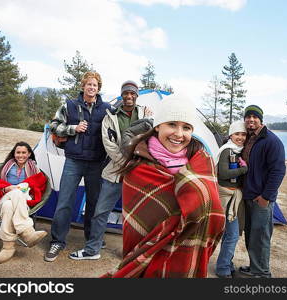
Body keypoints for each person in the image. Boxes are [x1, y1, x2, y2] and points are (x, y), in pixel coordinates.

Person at [103, 94, 225, 278]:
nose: (178, 133)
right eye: (172, 124)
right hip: (147, 261)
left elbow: (212, 213)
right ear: (158, 125)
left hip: (187, 259)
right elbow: (136, 228)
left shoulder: (203, 163)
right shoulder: (138, 168)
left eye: (186, 127)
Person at [69, 80, 152, 260]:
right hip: (115, 171)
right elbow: (109, 145)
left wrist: (138, 165)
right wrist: (125, 163)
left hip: (140, 173)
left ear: (136, 96)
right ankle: (92, 250)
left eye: (132, 93)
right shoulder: (110, 117)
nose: (129, 96)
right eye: (126, 93)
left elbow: (152, 141)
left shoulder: (146, 114)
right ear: (122, 95)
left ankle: (136, 252)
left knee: (140, 215)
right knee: (100, 211)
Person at [45, 71, 112, 262]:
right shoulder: (69, 106)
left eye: (95, 85)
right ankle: (57, 241)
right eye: (89, 84)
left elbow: (119, 126)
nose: (92, 88)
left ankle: (93, 239)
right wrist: (73, 129)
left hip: (96, 163)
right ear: (83, 86)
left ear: (99, 88)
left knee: (94, 204)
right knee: (65, 201)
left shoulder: (107, 109)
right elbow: (54, 126)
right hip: (73, 161)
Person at [0, 141, 50, 264]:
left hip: (23, 201)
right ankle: (27, 232)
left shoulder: (35, 169)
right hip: (3, 197)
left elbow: (39, 185)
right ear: (14, 153)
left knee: (9, 206)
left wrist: (24, 186)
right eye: (18, 152)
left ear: (29, 154)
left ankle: (7, 247)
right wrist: (6, 188)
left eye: (24, 152)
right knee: (14, 194)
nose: (21, 155)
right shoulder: (5, 167)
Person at [239, 105, 286, 278]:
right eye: (248, 116)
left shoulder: (271, 141)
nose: (251, 119)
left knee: (261, 237)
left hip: (261, 199)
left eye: (255, 117)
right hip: (248, 196)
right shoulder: (249, 139)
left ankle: (263, 273)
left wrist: (266, 196)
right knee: (252, 235)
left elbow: (278, 171)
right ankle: (254, 268)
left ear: (261, 120)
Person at [215, 120, 248, 278]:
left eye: (243, 134)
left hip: (234, 195)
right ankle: (222, 269)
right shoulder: (226, 151)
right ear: (230, 135)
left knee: (230, 234)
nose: (240, 137)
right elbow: (223, 174)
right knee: (233, 234)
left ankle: (226, 263)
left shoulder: (238, 151)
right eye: (237, 134)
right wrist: (243, 170)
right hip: (226, 196)